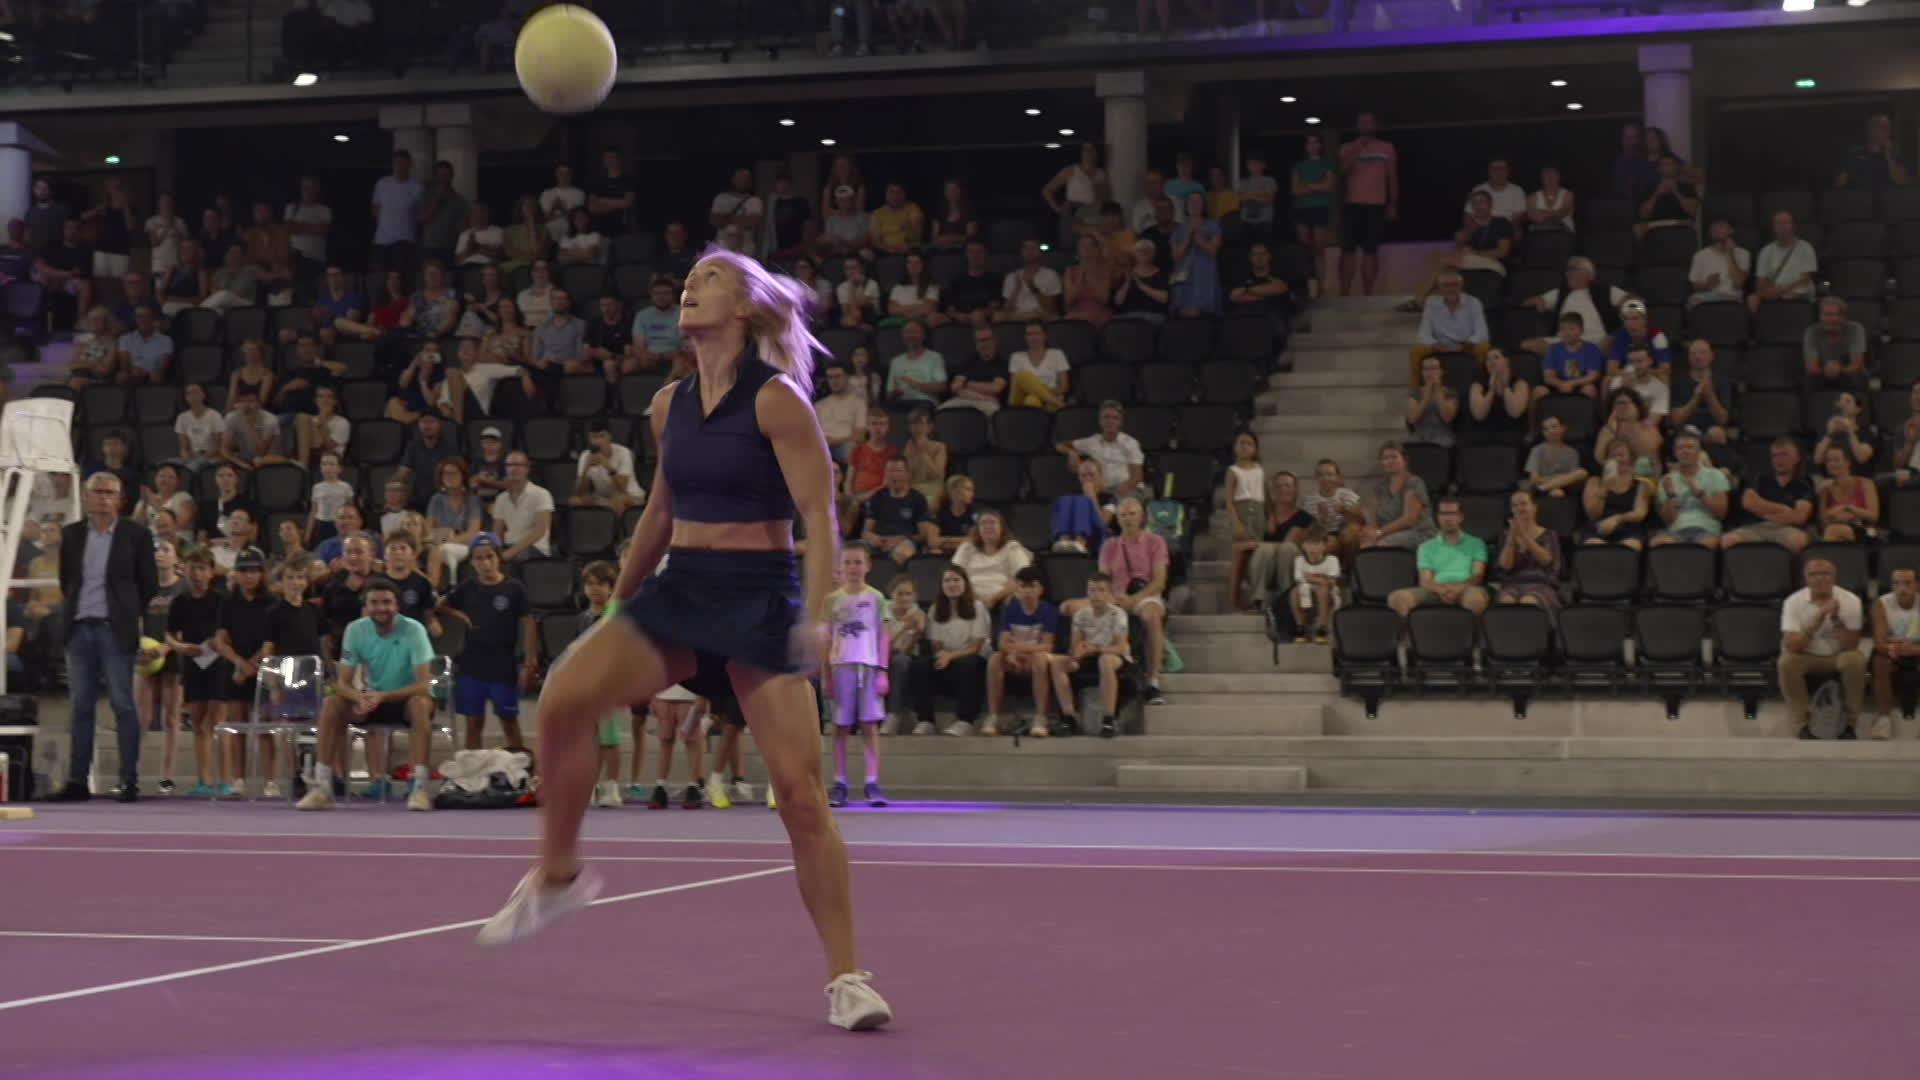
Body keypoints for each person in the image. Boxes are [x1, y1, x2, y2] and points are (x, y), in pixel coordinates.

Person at [470, 248, 893, 1031]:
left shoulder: (779, 403)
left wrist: (822, 614)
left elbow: (820, 516)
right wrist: (619, 611)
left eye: (710, 278)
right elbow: (659, 514)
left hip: (758, 598)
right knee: (563, 699)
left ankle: (848, 979)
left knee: (800, 799)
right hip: (681, 589)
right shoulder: (669, 405)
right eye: (689, 278)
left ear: (744, 307)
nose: (689, 287)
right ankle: (557, 873)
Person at [51, 473, 159, 802]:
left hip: (115, 628)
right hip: (79, 627)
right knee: (80, 706)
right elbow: (66, 580)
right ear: (86, 497)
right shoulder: (71, 535)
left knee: (123, 704)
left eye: (109, 493)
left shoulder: (135, 535)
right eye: (97, 492)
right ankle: (77, 781)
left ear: (120, 498)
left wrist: (126, 613)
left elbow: (149, 584)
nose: (102, 498)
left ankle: (128, 780)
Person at [299, 576, 438, 810]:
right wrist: (359, 698)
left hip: (406, 700)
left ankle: (420, 788)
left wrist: (382, 696)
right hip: (371, 699)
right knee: (332, 703)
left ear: (397, 605)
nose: (381, 608)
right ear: (366, 606)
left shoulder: (414, 630)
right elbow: (342, 683)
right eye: (374, 602)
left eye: (387, 602)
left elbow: (424, 684)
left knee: (420, 705)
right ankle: (322, 787)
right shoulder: (355, 630)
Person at [439, 535, 535, 751]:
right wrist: (460, 615)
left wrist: (529, 661)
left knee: (508, 721)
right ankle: (473, 774)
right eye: (479, 559)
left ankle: (521, 772)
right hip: (472, 664)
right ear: (472, 562)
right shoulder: (467, 587)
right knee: (473, 724)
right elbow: (440, 606)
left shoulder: (514, 588)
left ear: (499, 558)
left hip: (503, 664)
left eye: (489, 557)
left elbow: (529, 624)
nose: (485, 563)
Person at [825, 544, 890, 805]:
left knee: (869, 726)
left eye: (858, 562)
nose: (853, 568)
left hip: (869, 667)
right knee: (840, 727)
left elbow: (883, 636)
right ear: (840, 567)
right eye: (848, 563)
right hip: (841, 667)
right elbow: (826, 638)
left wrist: (883, 670)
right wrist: (826, 673)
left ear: (868, 566)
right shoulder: (832, 600)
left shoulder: (877, 598)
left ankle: (872, 782)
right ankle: (840, 782)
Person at [213, 549, 278, 800]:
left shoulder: (271, 602)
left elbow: (271, 641)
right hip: (235, 670)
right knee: (237, 727)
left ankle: (271, 781)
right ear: (236, 574)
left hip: (266, 670)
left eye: (254, 571)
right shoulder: (227, 602)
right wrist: (239, 663)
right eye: (244, 571)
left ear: (262, 574)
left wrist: (253, 665)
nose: (249, 576)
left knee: (265, 728)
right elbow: (221, 639)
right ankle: (238, 780)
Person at [1778, 559, 1867, 740]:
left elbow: (1851, 645)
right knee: (1786, 663)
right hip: (1806, 654)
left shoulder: (1851, 601)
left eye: (1825, 574)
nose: (1820, 579)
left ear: (1834, 577)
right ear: (1806, 579)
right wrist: (1817, 620)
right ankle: (1802, 724)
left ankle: (1850, 724)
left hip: (1839, 654)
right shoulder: (1793, 602)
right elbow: (1793, 646)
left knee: (1856, 660)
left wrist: (1835, 618)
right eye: (1814, 574)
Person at [165, 547, 225, 796]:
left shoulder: (221, 600)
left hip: (219, 664)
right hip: (193, 664)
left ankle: (226, 779)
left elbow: (229, 631)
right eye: (192, 569)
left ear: (211, 572)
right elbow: (169, 635)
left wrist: (216, 643)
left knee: (217, 723)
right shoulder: (180, 602)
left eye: (202, 569)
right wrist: (181, 647)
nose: (197, 574)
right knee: (199, 724)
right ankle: (204, 780)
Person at [1047, 572, 1133, 738]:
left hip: (1112, 655)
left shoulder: (1118, 614)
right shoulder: (1081, 615)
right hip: (1088, 656)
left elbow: (1121, 647)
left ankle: (1108, 719)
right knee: (1058, 663)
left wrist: (1096, 649)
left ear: (1109, 593)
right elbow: (1075, 647)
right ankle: (1069, 716)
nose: (1096, 595)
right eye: (1092, 590)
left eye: (1101, 590)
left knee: (1105, 661)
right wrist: (1078, 651)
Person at [1387, 497, 1490, 619]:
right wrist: (1441, 590)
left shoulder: (1476, 543)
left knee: (1475, 598)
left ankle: (1469, 636)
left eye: (1452, 513)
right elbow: (1425, 580)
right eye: (1443, 514)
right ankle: (1411, 636)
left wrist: (1458, 588)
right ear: (1438, 517)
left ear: (1461, 517)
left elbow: (1477, 576)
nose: (1447, 518)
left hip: (1466, 588)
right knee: (1397, 598)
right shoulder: (1426, 547)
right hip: (1435, 590)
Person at [138, 539, 186, 795]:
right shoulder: (145, 588)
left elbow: (183, 625)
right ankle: (132, 772)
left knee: (171, 716)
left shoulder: (181, 588)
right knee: (143, 717)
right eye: (156, 549)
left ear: (176, 559)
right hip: (147, 655)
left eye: (166, 549)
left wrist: (166, 649)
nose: (160, 554)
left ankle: (167, 776)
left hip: (171, 654)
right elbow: (137, 619)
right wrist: (141, 649)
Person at [986, 567, 1057, 737]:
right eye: (1022, 587)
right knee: (995, 659)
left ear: (1040, 589)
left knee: (1040, 658)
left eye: (1032, 586)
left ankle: (1041, 717)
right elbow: (1002, 643)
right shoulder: (1010, 609)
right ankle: (994, 716)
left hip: (1036, 659)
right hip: (1015, 659)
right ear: (1016, 590)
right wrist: (1011, 653)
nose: (1027, 591)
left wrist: (1018, 649)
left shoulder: (1048, 610)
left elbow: (1047, 646)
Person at [1721, 438, 1815, 554]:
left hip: (1786, 529)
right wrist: (1783, 509)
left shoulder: (1804, 483)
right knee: (1728, 540)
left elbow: (1799, 517)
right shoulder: (1759, 478)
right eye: (1775, 456)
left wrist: (1762, 508)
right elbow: (1749, 503)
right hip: (1755, 527)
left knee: (1798, 541)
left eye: (1784, 455)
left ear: (1797, 458)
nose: (1778, 460)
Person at [1651, 432, 1731, 548]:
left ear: (1699, 451)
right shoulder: (1667, 480)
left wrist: (1699, 493)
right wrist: (1671, 495)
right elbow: (1668, 520)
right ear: (1675, 452)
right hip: (1676, 530)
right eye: (1681, 448)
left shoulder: (1715, 475)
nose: (1685, 451)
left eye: (1690, 447)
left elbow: (1721, 513)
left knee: (1705, 545)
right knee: (1658, 543)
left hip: (1706, 530)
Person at [1492, 491, 1562, 619]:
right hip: (1512, 583)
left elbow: (1546, 561)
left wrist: (1524, 534)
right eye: (1514, 505)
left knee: (1528, 601)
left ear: (1534, 507)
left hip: (1542, 583)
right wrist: (1511, 537)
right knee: (1506, 600)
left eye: (1523, 503)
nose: (1519, 508)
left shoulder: (1549, 534)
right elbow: (1506, 566)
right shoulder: (1505, 535)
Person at [1869, 567, 1920, 741]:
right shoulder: (1881, 603)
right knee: (1880, 663)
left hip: (1914, 648)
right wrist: (1894, 648)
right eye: (1896, 583)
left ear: (1917, 585)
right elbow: (1880, 641)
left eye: (1907, 583)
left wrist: (1912, 649)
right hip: (1893, 650)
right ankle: (1883, 718)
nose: (1901, 588)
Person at [1290, 527, 1342, 644]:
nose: (1313, 548)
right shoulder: (1299, 560)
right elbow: (1299, 579)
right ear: (1303, 546)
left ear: (1324, 545)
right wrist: (1319, 579)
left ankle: (1322, 628)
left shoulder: (1331, 560)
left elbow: (1331, 582)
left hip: (1329, 594)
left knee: (1322, 590)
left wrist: (1312, 578)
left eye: (1317, 544)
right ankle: (1300, 627)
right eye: (1309, 544)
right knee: (1294, 592)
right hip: (1306, 592)